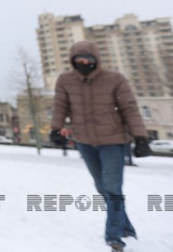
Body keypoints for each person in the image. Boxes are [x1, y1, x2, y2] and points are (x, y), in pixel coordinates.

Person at [50, 40, 151, 252]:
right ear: (73, 61)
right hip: (85, 141)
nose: (84, 62)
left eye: (88, 59)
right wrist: (55, 129)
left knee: (113, 187)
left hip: (113, 141)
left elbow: (129, 109)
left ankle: (114, 236)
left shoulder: (114, 79)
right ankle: (126, 227)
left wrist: (140, 137)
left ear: (96, 60)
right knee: (101, 187)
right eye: (79, 60)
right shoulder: (66, 80)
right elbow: (60, 107)